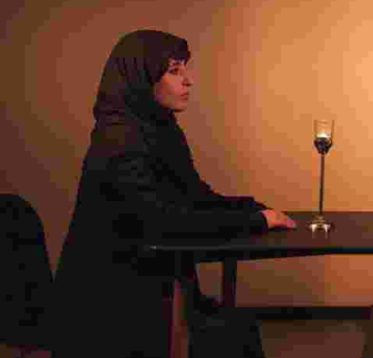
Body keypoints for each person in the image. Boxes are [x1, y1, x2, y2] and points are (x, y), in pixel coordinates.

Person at [47, 30, 296, 358]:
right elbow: (163, 221)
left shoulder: (160, 129)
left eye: (184, 69)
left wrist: (254, 209)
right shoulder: (120, 140)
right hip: (112, 305)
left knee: (238, 330)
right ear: (142, 79)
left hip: (153, 283)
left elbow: (196, 197)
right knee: (232, 337)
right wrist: (255, 220)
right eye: (174, 71)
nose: (188, 80)